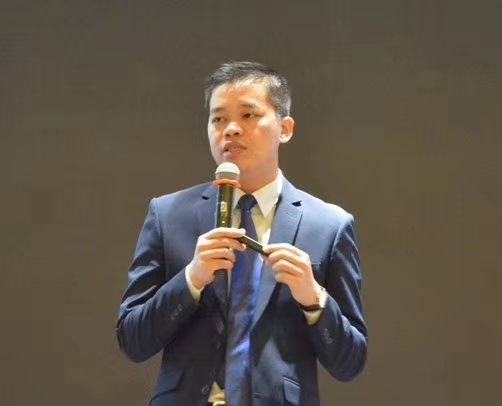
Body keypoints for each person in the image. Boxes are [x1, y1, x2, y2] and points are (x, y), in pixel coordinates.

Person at [115, 61, 368, 406]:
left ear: (285, 128)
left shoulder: (328, 225)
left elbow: (350, 363)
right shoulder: (168, 214)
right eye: (218, 119)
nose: (231, 129)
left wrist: (314, 299)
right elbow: (133, 341)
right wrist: (191, 279)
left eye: (248, 115)